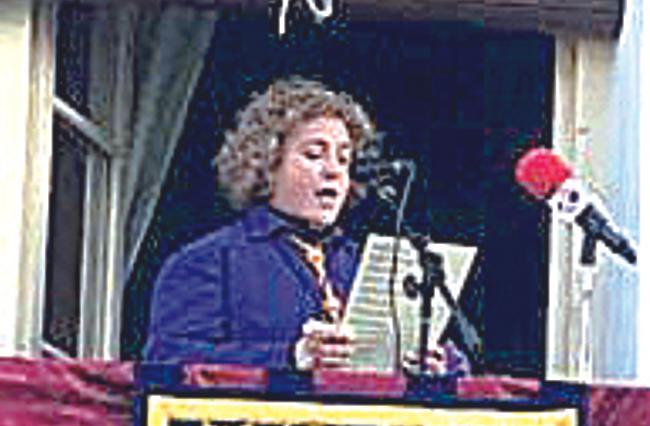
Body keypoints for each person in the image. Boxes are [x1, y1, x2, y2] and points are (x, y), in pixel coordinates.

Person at [144, 77, 461, 372]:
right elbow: (167, 361)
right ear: (266, 164)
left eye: (343, 159)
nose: (333, 171)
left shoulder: (366, 264)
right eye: (314, 154)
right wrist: (291, 357)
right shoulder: (210, 260)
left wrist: (438, 363)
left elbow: (456, 364)